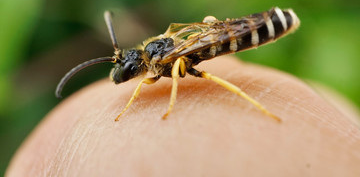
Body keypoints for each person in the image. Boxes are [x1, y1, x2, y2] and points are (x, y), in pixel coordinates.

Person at [6, 57, 360, 176]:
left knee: (218, 79)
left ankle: (254, 103)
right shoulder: (148, 66)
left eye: (128, 70)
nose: (126, 75)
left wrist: (172, 107)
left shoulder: (167, 61)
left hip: (244, 33)